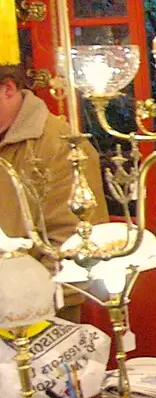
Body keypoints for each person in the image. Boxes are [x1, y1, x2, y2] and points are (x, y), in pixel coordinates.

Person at [0, 65, 108, 305]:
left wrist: (22, 306)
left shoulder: (60, 146)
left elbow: (74, 245)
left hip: (34, 319)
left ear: (8, 88)